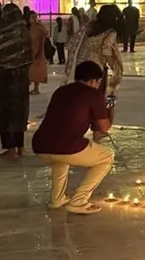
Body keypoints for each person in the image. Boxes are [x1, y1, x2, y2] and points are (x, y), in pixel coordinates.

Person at [32, 60, 113, 215]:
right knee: (106, 157)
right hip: (66, 146)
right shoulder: (93, 94)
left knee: (61, 160)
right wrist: (110, 109)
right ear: (93, 81)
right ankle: (79, 201)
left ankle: (57, 199)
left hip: (40, 144)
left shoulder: (61, 90)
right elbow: (104, 127)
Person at [0, 1, 32, 156]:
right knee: (20, 111)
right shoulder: (23, 30)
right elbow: (28, 52)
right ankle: (21, 146)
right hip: (21, 76)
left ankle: (10, 148)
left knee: (4, 111)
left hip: (2, 76)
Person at [67, 5, 124, 98]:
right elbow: (106, 49)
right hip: (95, 66)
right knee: (94, 94)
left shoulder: (89, 26)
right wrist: (114, 66)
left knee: (81, 92)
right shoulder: (110, 31)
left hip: (80, 62)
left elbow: (74, 41)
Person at [27, 11, 49, 94]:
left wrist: (42, 25)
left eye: (35, 17)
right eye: (32, 17)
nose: (34, 19)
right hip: (30, 51)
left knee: (36, 71)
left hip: (38, 52)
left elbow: (46, 34)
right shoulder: (28, 27)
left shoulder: (39, 28)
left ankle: (36, 88)